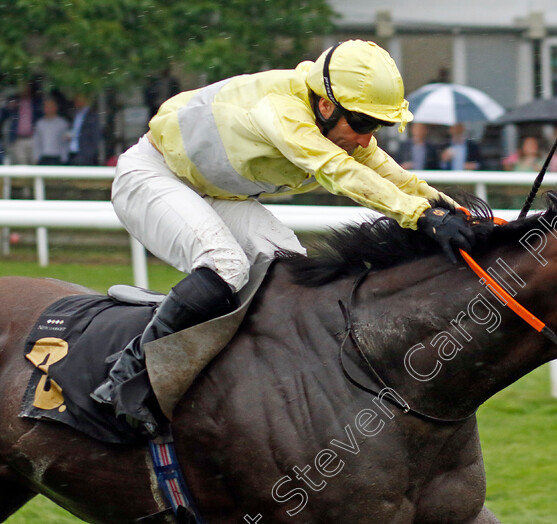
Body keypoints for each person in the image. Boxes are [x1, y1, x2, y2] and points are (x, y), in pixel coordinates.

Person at [92, 40, 475, 435]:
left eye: (375, 126)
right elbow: (337, 172)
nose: (365, 138)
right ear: (326, 106)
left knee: (291, 272)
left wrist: (457, 213)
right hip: (153, 176)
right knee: (226, 266)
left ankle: (249, 381)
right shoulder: (282, 111)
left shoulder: (334, 118)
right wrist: (419, 216)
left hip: (216, 191)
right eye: (362, 124)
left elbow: (397, 178)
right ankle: (124, 379)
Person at [3, 83, 43, 165]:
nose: (25, 90)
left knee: (35, 162)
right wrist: (9, 106)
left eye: (27, 88)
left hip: (33, 138)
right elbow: (4, 114)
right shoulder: (15, 102)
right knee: (22, 165)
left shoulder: (35, 103)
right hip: (19, 139)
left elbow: (40, 117)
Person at [33, 98, 70, 165]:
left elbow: (65, 143)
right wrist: (36, 157)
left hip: (57, 157)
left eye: (50, 106)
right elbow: (37, 142)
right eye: (46, 106)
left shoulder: (62, 123)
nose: (48, 108)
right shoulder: (40, 124)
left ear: (55, 108)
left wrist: (64, 158)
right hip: (43, 157)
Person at [67, 94, 101, 165]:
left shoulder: (92, 116)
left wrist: (89, 154)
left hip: (85, 154)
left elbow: (95, 136)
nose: (76, 102)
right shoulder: (75, 114)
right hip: (73, 151)